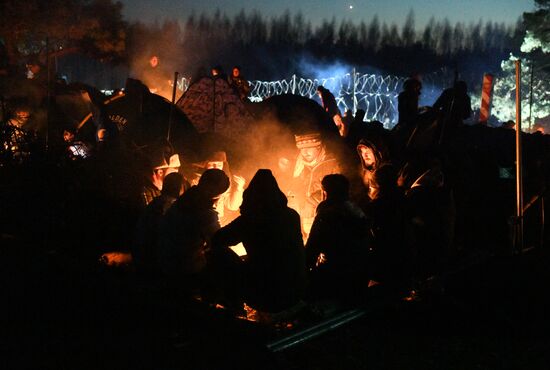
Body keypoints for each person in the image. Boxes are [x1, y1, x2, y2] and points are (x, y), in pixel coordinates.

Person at [210, 169, 306, 313]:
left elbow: (217, 239)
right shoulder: (292, 215)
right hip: (296, 291)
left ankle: (233, 302)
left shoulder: (250, 219)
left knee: (218, 253)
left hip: (264, 295)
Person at [305, 174, 371, 303]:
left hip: (337, 275)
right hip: (361, 273)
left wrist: (302, 270)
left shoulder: (327, 211)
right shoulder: (356, 209)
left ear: (325, 191)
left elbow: (312, 247)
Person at [158, 169, 230, 280]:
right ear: (217, 195)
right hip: (184, 269)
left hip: (163, 261)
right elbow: (218, 242)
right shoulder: (205, 213)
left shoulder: (183, 200)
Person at [287, 132, 341, 239]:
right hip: (302, 218)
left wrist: (317, 197)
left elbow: (338, 195)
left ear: (318, 147)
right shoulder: (299, 165)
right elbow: (293, 188)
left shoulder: (332, 164)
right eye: (302, 148)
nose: (305, 152)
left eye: (309, 148)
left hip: (323, 219)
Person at [133, 172, 185, 275]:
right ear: (180, 189)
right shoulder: (169, 207)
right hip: (156, 261)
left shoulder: (157, 202)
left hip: (144, 256)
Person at [186, 150, 245, 226]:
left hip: (217, 219)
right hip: (199, 220)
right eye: (212, 164)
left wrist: (239, 188)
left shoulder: (224, 180)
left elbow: (232, 206)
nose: (215, 167)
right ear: (205, 165)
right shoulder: (196, 181)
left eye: (219, 165)